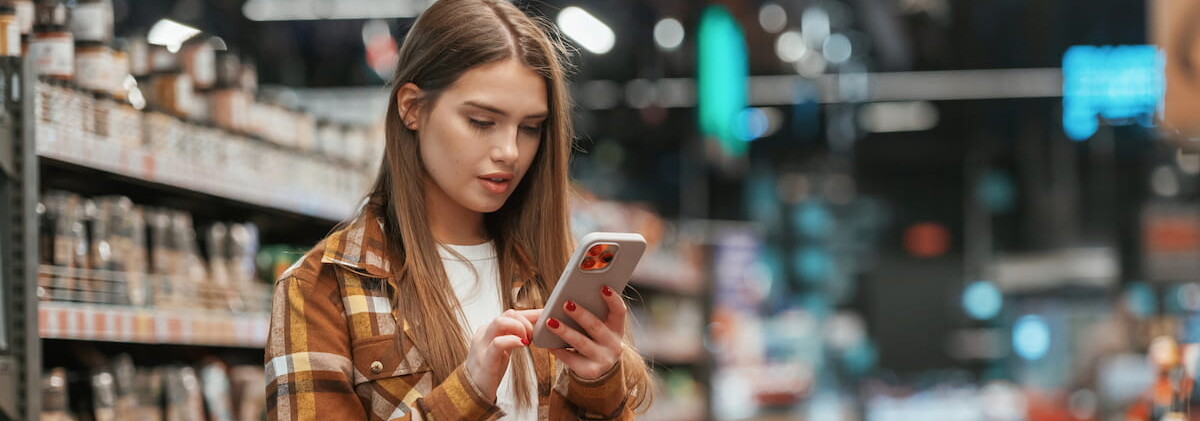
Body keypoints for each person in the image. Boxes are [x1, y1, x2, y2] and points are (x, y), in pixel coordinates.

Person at [264, 0, 652, 419]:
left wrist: (598, 386)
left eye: (530, 128)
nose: (509, 152)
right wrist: (466, 394)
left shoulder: (552, 272)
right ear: (411, 108)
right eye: (482, 122)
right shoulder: (322, 289)